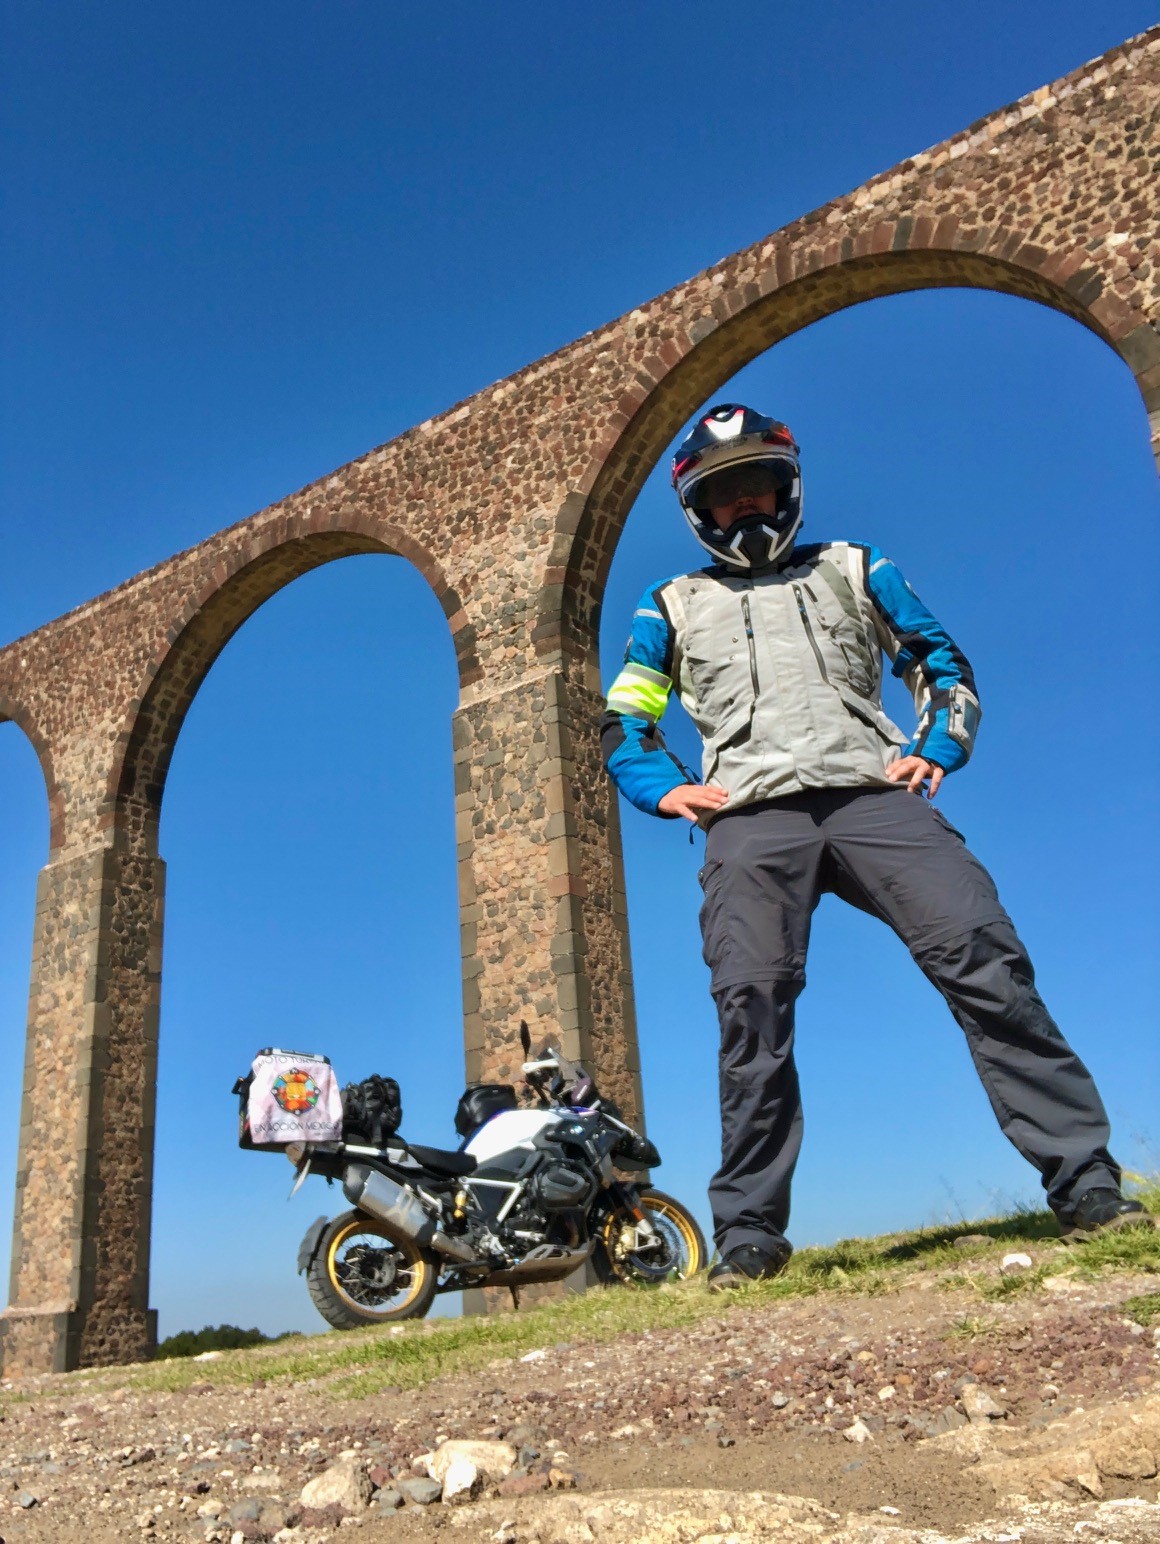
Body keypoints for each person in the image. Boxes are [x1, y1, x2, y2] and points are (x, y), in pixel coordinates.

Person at [600, 402, 1151, 1288]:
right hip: (749, 817)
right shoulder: (668, 604)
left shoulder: (857, 566)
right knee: (751, 1010)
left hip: (871, 794)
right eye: (726, 497)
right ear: (700, 511)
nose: (747, 509)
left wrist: (937, 748)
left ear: (790, 489)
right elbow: (627, 719)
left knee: (983, 955)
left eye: (760, 488)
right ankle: (747, 1234)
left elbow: (939, 659)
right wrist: (663, 788)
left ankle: (1085, 1181)